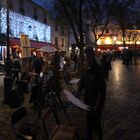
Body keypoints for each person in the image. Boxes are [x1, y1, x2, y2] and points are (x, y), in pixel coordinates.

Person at [77, 46, 106, 140]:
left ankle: (100, 137)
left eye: (88, 56)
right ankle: (89, 137)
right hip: (88, 101)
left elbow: (102, 92)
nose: (87, 58)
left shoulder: (98, 70)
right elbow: (84, 81)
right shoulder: (87, 68)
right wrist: (79, 90)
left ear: (92, 56)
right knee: (88, 122)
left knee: (96, 123)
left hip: (96, 103)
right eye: (86, 56)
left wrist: (97, 107)